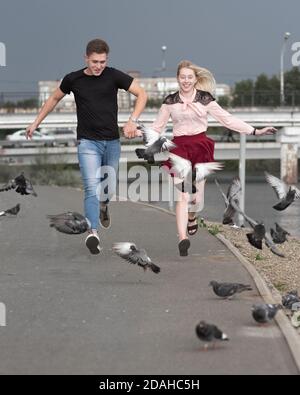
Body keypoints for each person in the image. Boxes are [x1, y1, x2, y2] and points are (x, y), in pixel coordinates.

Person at [26, 38, 147, 254]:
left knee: (107, 189)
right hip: (87, 142)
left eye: (102, 61)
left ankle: (104, 206)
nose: (98, 66)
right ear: (86, 58)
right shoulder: (74, 79)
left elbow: (142, 94)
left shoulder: (114, 75)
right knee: (91, 187)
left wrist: (132, 120)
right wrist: (36, 122)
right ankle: (93, 232)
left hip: (112, 142)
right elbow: (54, 98)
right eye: (94, 61)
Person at [151, 60, 277, 257]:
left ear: (195, 79)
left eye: (189, 77)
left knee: (197, 198)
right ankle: (182, 238)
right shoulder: (170, 102)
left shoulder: (205, 99)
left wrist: (255, 131)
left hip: (201, 147)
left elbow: (227, 119)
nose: (185, 81)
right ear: (178, 78)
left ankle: (192, 217)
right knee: (183, 196)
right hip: (179, 149)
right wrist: (140, 135)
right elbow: (156, 128)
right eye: (182, 77)